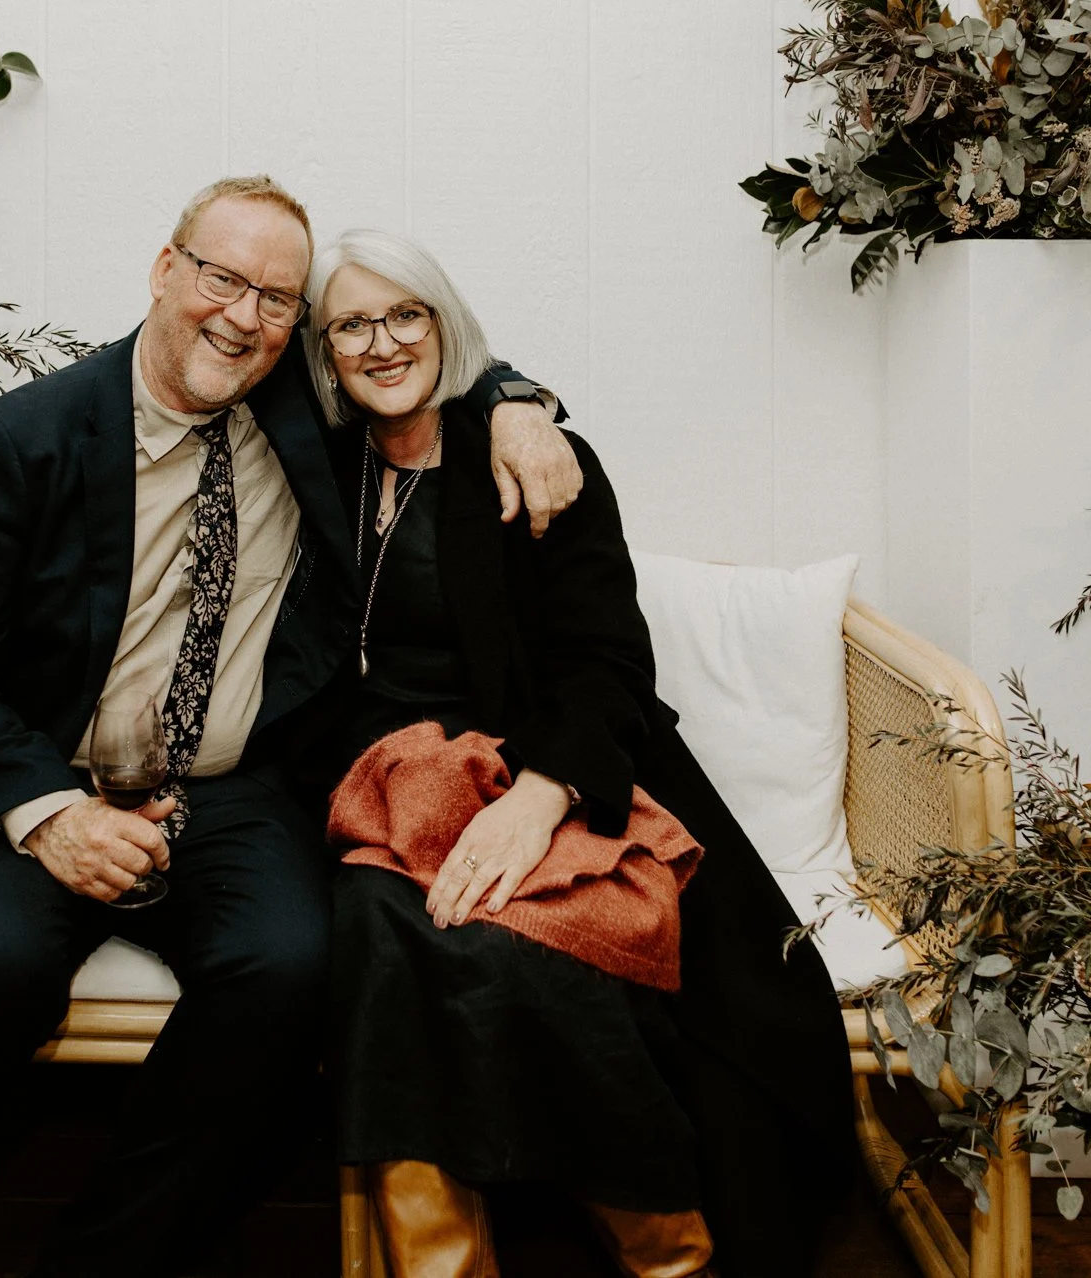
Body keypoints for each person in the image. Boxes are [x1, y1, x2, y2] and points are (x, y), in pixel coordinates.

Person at [0, 177, 583, 1278]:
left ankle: (106, 1259)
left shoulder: (300, 411)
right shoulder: (23, 438)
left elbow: (412, 355)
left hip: (225, 790)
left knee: (293, 969)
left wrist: (520, 399)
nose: (243, 317)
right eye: (222, 279)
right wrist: (52, 815)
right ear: (164, 269)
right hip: (42, 779)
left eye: (277, 300)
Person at [304, 229, 857, 1278]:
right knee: (378, 925)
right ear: (322, 353)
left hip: (544, 757)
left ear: (443, 324)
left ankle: (668, 1252)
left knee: (542, 938)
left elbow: (608, 659)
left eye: (406, 314)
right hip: (377, 786)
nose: (382, 343)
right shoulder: (310, 462)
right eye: (351, 325)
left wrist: (542, 793)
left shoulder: (532, 462)